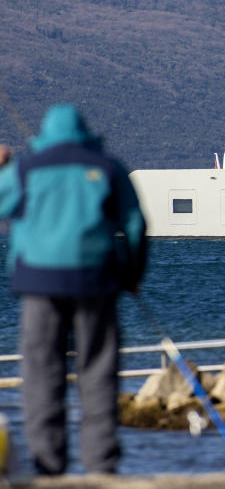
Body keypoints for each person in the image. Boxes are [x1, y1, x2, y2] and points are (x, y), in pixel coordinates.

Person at [0, 104, 146, 475]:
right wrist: (131, 275)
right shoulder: (109, 167)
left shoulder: (26, 168)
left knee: (41, 374)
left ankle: (48, 466)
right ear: (86, 131)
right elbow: (134, 224)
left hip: (38, 283)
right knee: (97, 372)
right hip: (96, 280)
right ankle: (101, 466)